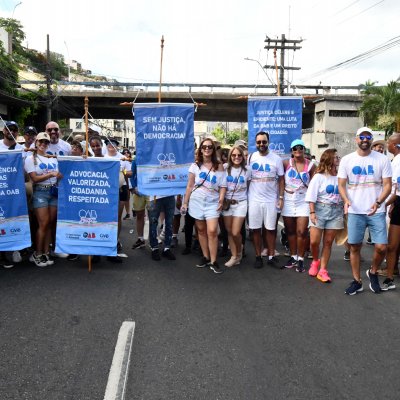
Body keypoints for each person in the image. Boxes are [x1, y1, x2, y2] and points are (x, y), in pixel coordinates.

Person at [338, 127, 392, 295]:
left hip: (377, 210)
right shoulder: (347, 160)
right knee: (354, 246)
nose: (365, 139)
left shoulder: (382, 159)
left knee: (382, 247)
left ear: (371, 139)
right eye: (362, 137)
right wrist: (346, 201)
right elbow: (341, 184)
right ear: (356, 139)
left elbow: (388, 185)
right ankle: (357, 281)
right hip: (355, 210)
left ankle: (373, 271)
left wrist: (378, 202)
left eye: (368, 137)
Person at [181, 138, 225, 273]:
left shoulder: (219, 166)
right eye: (204, 146)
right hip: (196, 202)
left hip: (213, 202)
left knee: (212, 231)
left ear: (213, 149)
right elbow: (189, 186)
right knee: (200, 231)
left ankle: (214, 260)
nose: (207, 149)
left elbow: (223, 185)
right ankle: (205, 257)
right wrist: (185, 202)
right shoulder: (194, 166)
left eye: (210, 147)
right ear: (200, 149)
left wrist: (221, 200)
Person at [305, 149, 343, 282]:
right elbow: (311, 196)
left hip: (336, 211)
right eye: (335, 157)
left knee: (328, 242)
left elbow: (345, 193)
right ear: (328, 158)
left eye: (338, 157)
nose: (338, 159)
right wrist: (312, 212)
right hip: (320, 209)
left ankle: (323, 270)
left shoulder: (341, 176)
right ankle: (315, 261)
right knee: (314, 241)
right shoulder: (319, 177)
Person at [247, 131, 284, 269]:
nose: (261, 144)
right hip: (254, 199)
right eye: (259, 142)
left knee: (271, 229)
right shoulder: (251, 157)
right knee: (255, 229)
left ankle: (271, 256)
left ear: (268, 142)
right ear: (255, 143)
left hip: (271, 200)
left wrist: (280, 197)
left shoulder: (276, 159)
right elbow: (246, 178)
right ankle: (258, 256)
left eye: (264, 141)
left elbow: (281, 180)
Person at [24, 132, 61, 267]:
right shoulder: (30, 158)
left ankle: (46, 252)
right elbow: (34, 178)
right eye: (41, 142)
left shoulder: (52, 157)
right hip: (40, 192)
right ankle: (37, 253)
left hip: (53, 192)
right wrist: (51, 173)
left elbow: (59, 175)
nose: (43, 144)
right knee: (43, 223)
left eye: (46, 142)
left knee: (50, 223)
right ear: (36, 143)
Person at [281, 139, 316, 272]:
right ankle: (293, 256)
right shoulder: (285, 163)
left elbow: (314, 185)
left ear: (304, 149)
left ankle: (301, 258)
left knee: (302, 231)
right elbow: (280, 181)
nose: (298, 150)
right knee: (290, 231)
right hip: (288, 199)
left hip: (303, 200)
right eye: (295, 148)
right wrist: (280, 197)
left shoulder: (311, 165)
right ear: (291, 151)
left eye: (300, 147)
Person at [221, 146, 251, 267]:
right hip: (227, 203)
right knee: (229, 232)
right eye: (234, 155)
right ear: (230, 156)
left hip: (241, 203)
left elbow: (249, 187)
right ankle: (235, 256)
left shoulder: (247, 170)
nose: (237, 157)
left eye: (239, 155)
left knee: (235, 232)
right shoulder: (224, 168)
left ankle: (238, 251)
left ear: (243, 157)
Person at [104, 138, 132, 262]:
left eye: (113, 144)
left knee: (117, 217)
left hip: (121, 189)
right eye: (108, 144)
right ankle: (105, 241)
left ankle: (115, 240)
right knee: (107, 217)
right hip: (107, 190)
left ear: (117, 146)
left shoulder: (122, 158)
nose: (111, 146)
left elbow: (130, 172)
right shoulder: (102, 157)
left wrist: (122, 171)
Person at [379, 133, 400, 290]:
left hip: (396, 203)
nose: (387, 145)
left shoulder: (397, 161)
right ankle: (390, 273)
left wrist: (384, 204)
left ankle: (390, 272)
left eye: (389, 143)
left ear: (394, 144)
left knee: (392, 245)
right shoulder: (394, 161)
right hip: (397, 203)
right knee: (393, 245)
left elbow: (395, 188)